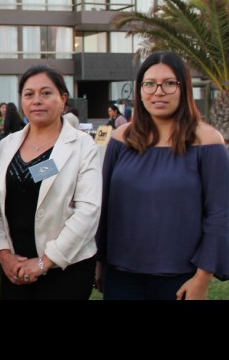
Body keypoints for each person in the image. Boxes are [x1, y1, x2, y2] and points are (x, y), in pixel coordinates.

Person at [96, 51, 229, 300]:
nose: (158, 91)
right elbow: (106, 205)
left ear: (184, 88)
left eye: (169, 83)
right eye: (150, 84)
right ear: (140, 90)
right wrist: (100, 260)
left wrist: (203, 278)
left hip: (181, 277)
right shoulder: (120, 139)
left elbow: (220, 214)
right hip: (121, 275)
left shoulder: (209, 142)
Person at [0, 65, 101, 300]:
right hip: (15, 268)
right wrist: (4, 254)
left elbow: (88, 211)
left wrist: (44, 262)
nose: (36, 100)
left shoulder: (82, 145)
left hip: (66, 267)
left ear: (63, 99)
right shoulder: (7, 145)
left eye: (46, 93)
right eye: (29, 94)